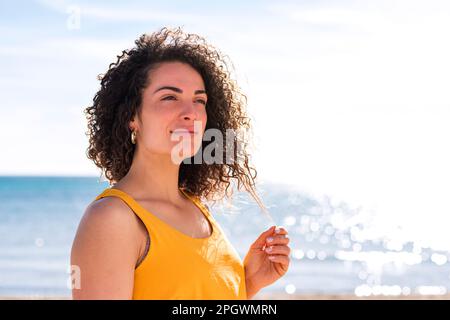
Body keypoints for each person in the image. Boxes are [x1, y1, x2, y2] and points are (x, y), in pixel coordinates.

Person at [71, 27, 290, 300]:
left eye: (199, 100)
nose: (191, 113)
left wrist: (246, 284)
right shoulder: (112, 219)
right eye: (169, 97)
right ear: (131, 116)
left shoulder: (196, 208)